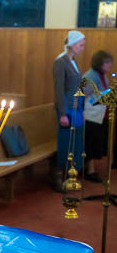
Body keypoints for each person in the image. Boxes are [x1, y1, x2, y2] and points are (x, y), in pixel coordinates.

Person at [52, 30, 86, 192]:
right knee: (66, 142)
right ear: (72, 45)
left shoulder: (73, 61)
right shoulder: (61, 62)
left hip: (76, 107)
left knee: (76, 142)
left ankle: (70, 174)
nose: (82, 48)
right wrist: (63, 113)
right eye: (81, 45)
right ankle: (58, 176)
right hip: (66, 108)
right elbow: (58, 89)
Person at [82, 51, 113, 182]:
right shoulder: (90, 76)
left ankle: (89, 168)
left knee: (96, 142)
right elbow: (85, 95)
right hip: (90, 115)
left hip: (99, 114)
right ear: (100, 64)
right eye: (107, 62)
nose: (110, 65)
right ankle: (89, 170)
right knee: (90, 143)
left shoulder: (102, 75)